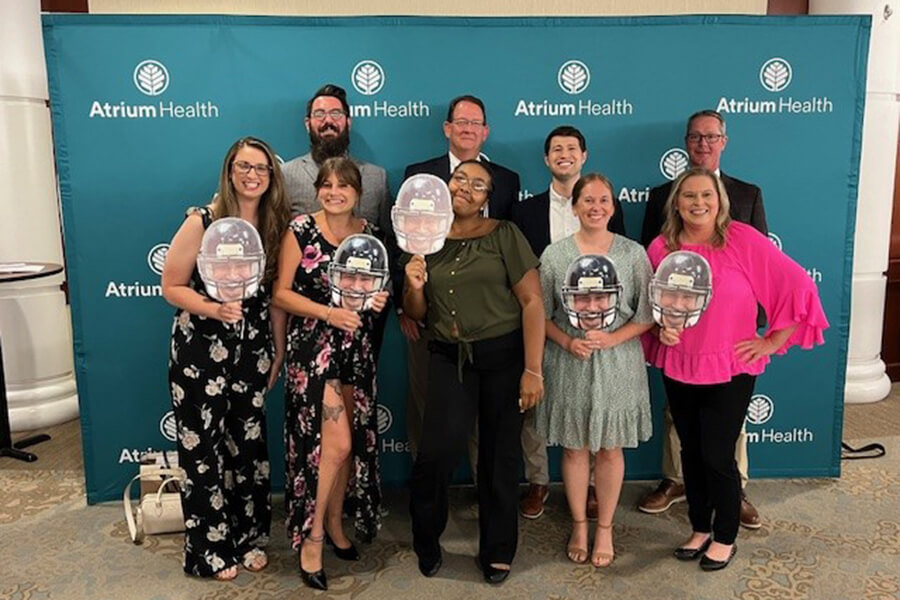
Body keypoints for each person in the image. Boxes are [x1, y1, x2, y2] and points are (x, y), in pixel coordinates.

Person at [644, 167, 827, 571]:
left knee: (716, 454)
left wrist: (771, 341)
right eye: (689, 196)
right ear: (677, 203)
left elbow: (800, 287)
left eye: (706, 196)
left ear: (720, 200)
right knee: (690, 451)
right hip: (679, 362)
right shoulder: (661, 248)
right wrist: (662, 329)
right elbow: (653, 308)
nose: (698, 203)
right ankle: (699, 528)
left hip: (732, 367)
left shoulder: (744, 240)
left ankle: (726, 534)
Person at [404, 160, 545, 584]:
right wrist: (412, 286)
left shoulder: (504, 234)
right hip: (449, 356)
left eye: (478, 184)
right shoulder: (422, 239)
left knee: (500, 457)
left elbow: (533, 303)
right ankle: (427, 539)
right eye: (459, 178)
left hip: (504, 356)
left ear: (488, 198)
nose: (466, 187)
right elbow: (418, 315)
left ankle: (498, 550)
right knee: (436, 453)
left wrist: (533, 370)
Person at [162, 137, 291, 580]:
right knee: (203, 452)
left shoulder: (276, 226)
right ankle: (209, 549)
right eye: (243, 166)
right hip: (201, 349)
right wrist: (214, 308)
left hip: (252, 349)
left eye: (261, 168)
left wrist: (275, 350)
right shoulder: (203, 220)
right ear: (230, 170)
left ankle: (248, 537)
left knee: (247, 447)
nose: (252, 174)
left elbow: (276, 299)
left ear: (272, 177)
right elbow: (172, 286)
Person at [638, 109, 767, 528]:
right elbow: (648, 268)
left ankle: (735, 490)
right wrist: (659, 324)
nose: (703, 144)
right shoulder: (661, 196)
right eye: (696, 137)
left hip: (730, 344)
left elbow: (768, 271)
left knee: (724, 435)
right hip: (681, 341)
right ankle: (676, 482)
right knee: (684, 426)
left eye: (711, 137)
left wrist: (759, 332)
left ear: (724, 141)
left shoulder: (747, 194)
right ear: (686, 142)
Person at [273, 157, 389, 591]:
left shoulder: (370, 236)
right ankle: (313, 537)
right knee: (335, 444)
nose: (334, 191)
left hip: (355, 351)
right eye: (327, 184)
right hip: (313, 351)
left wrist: (375, 303)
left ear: (359, 192)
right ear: (317, 189)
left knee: (347, 448)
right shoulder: (299, 231)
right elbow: (280, 294)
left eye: (343, 185)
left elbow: (375, 292)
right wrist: (328, 312)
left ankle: (338, 524)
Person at [536, 173, 654, 568]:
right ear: (575, 206)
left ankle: (604, 526)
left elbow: (646, 314)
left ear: (613, 206)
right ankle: (579, 524)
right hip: (569, 360)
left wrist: (613, 339)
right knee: (573, 448)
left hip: (617, 362)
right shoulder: (554, 255)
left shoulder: (633, 254)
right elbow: (542, 315)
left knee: (609, 448)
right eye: (588, 200)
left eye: (604, 200)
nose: (596, 207)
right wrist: (568, 341)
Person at [511, 125, 628, 520]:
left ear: (584, 155)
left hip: (595, 330)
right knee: (535, 407)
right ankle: (538, 481)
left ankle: (593, 487)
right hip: (541, 324)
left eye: (572, 148)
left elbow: (621, 271)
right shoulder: (524, 211)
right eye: (556, 149)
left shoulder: (606, 205)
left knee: (591, 405)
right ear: (546, 159)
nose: (565, 154)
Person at [400, 94, 522, 461]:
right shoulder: (418, 175)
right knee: (430, 410)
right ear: (447, 128)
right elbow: (404, 241)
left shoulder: (506, 179)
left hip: (487, 319)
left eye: (475, 123)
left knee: (486, 418)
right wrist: (406, 302)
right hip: (430, 311)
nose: (467, 129)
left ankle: (478, 487)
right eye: (461, 122)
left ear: (485, 131)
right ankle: (429, 488)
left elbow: (509, 246)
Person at [282, 83, 393, 355]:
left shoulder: (376, 177)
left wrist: (386, 293)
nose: (328, 121)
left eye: (335, 114)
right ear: (308, 123)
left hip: (361, 321)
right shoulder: (286, 174)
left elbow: (388, 246)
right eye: (319, 115)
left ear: (348, 121)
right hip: (308, 318)